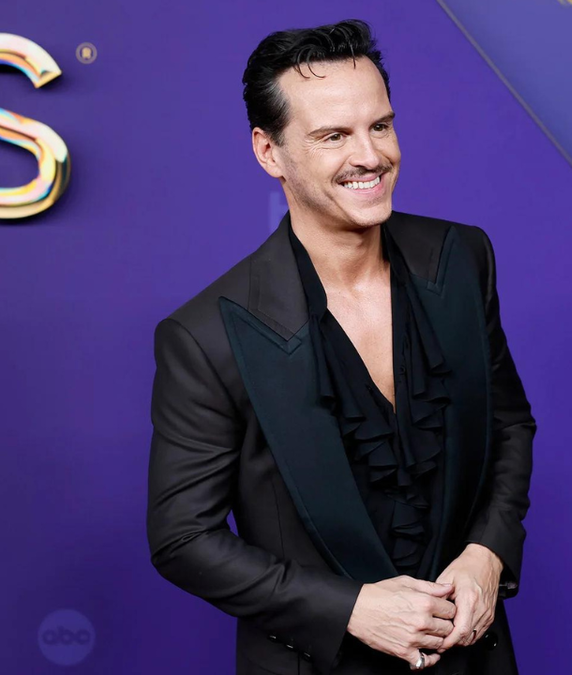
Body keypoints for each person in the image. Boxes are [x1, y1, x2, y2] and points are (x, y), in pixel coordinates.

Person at [146, 18, 536, 675]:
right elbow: (184, 537)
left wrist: (486, 554)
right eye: (334, 136)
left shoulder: (461, 258)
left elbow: (508, 422)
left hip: (474, 657)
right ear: (269, 152)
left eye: (379, 125)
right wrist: (350, 607)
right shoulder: (207, 333)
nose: (371, 156)